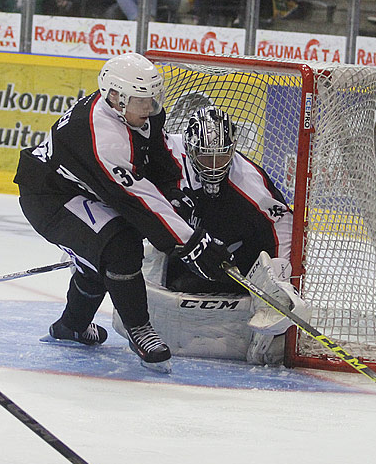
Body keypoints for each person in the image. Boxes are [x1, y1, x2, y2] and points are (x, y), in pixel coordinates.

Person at [13, 53, 233, 373]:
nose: (151, 107)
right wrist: (191, 242)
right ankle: (139, 328)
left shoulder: (142, 115)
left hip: (87, 187)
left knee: (99, 259)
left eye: (153, 97)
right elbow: (137, 200)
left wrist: (174, 194)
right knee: (119, 244)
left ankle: (72, 326)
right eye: (142, 99)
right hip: (50, 196)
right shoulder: (103, 137)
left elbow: (156, 160)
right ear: (115, 97)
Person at [118, 103, 307, 365]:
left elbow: (284, 225)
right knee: (149, 251)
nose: (215, 165)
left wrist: (280, 277)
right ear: (190, 148)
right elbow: (128, 191)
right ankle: (139, 319)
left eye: (223, 155)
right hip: (186, 251)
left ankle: (265, 333)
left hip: (235, 259)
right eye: (207, 156)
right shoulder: (166, 157)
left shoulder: (249, 181)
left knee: (270, 277)